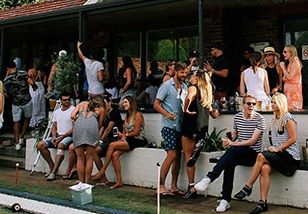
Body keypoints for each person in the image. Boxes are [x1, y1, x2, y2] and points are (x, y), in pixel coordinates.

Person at [193, 93, 266, 213]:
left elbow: (252, 142)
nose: (251, 106)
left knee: (232, 151)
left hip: (253, 154)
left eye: (253, 104)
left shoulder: (260, 119)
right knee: (229, 161)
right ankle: (225, 200)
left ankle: (209, 178)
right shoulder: (237, 117)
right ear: (243, 105)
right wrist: (228, 141)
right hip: (238, 151)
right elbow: (235, 136)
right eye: (249, 104)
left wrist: (233, 144)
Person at [233, 92, 298, 214]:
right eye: (272, 102)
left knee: (260, 156)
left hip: (290, 157)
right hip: (279, 155)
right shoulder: (275, 120)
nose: (272, 104)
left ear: (281, 104)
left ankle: (248, 186)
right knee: (264, 169)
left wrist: (278, 149)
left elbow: (293, 139)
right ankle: (263, 202)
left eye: (275, 102)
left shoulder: (288, 119)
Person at [93, 96, 146, 189]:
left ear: (131, 104)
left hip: (137, 139)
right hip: (129, 139)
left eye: (126, 102)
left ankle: (102, 171)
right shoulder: (127, 115)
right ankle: (119, 181)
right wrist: (122, 135)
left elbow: (136, 132)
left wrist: (125, 136)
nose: (124, 104)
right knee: (115, 155)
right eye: (123, 102)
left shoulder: (138, 115)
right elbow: (125, 130)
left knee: (112, 145)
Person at [182, 69, 219, 198]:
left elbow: (189, 97)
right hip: (202, 127)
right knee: (192, 153)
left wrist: (185, 108)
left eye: (192, 75)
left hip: (190, 124)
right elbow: (213, 113)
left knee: (188, 157)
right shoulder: (206, 94)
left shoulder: (193, 88)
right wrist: (216, 112)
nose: (190, 77)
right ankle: (199, 147)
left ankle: (191, 186)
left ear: (197, 79)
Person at [154, 61, 189, 195]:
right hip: (169, 126)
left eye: (186, 73)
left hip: (181, 126)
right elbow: (156, 104)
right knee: (172, 154)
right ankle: (161, 186)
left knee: (178, 156)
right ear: (176, 71)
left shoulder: (185, 87)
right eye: (182, 72)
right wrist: (166, 114)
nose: (184, 75)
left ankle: (174, 185)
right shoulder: (166, 86)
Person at [37, 93, 76, 181]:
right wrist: (54, 136)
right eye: (65, 100)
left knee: (61, 145)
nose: (67, 101)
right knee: (41, 145)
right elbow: (54, 126)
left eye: (68, 99)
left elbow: (75, 128)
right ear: (61, 101)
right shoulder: (57, 112)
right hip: (58, 135)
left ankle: (54, 172)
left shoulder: (73, 110)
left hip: (69, 136)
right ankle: (52, 167)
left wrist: (61, 137)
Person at [70, 95, 107, 185]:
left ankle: (81, 182)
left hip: (79, 126)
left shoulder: (82, 104)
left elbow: (72, 116)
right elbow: (100, 124)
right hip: (92, 127)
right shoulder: (101, 109)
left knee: (80, 158)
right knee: (90, 158)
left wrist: (80, 120)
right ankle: (86, 182)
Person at [3, 58, 35, 151]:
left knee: (16, 122)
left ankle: (16, 142)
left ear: (8, 68)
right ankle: (22, 137)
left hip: (15, 102)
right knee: (27, 118)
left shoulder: (7, 80)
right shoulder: (23, 73)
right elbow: (31, 82)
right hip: (26, 99)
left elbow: (5, 93)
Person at [282, 45, 303, 111]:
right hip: (288, 93)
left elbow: (290, 77)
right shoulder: (290, 64)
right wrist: (286, 73)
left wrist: (283, 68)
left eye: (285, 52)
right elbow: (284, 78)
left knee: (294, 111)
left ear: (291, 53)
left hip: (294, 94)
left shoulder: (295, 63)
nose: (283, 54)